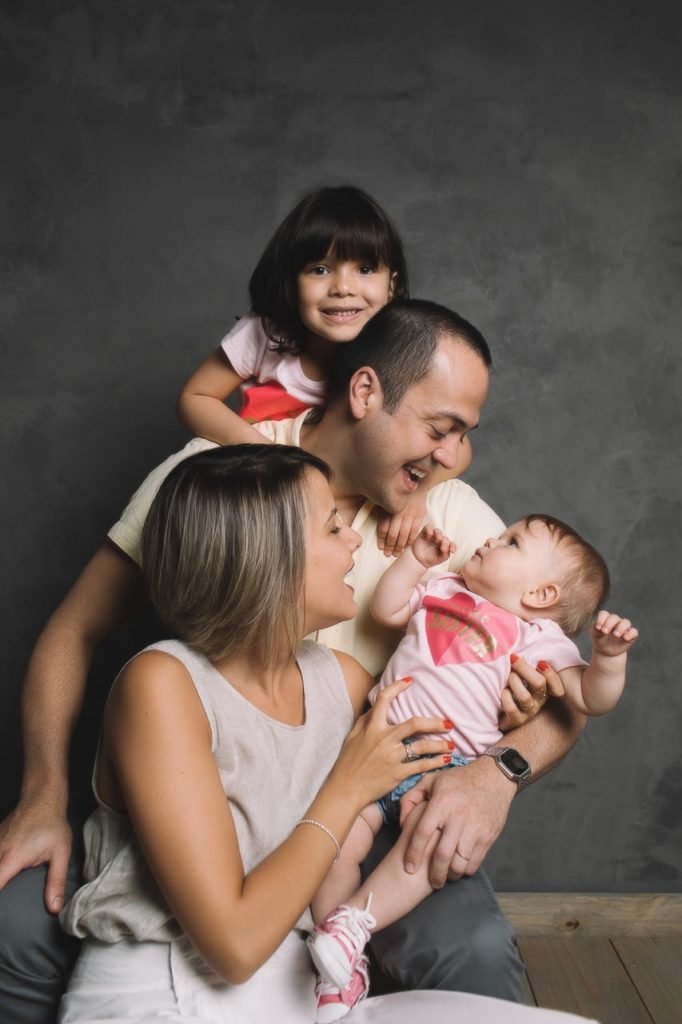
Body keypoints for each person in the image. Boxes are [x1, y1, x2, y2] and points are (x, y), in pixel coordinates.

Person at [0, 299, 583, 1022]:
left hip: (375, 807)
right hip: (203, 792)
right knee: (19, 916)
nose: (453, 455)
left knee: (472, 946)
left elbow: (562, 700)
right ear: (365, 392)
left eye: (465, 434)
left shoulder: (456, 521)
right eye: (441, 428)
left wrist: (498, 768)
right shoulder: (221, 483)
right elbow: (75, 630)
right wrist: (41, 795)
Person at [306, 519, 639, 1016]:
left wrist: (609, 659)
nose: (489, 540)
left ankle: (356, 921)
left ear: (542, 592)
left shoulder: (538, 636)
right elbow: (387, 607)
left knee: (425, 850)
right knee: (336, 846)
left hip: (445, 766)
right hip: (379, 753)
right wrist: (416, 560)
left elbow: (589, 698)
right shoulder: (445, 587)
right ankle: (338, 960)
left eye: (511, 542)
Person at [176, 184, 471, 557]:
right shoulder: (267, 333)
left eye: (365, 269)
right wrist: (273, 457)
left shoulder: (395, 355)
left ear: (392, 286)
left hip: (343, 508)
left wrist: (418, 493)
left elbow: (457, 447)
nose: (343, 288)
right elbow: (194, 398)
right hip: (261, 490)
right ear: (291, 282)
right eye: (320, 269)